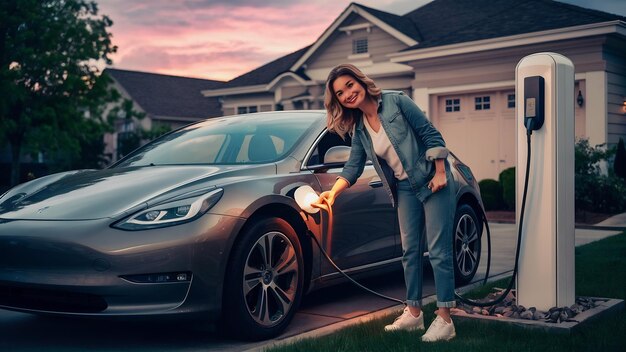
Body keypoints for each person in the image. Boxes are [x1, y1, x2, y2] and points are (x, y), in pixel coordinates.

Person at [312, 63, 457, 342]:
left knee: (439, 252)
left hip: (432, 180)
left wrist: (440, 172)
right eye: (340, 93)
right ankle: (414, 314)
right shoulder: (360, 129)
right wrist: (333, 192)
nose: (348, 94)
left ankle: (445, 319)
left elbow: (430, 135)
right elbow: (353, 167)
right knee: (409, 252)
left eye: (350, 86)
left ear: (362, 82)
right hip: (404, 188)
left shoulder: (396, 102)